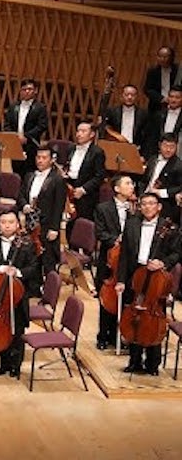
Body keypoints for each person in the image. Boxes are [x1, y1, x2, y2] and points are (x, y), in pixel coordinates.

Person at [117, 193, 179, 375]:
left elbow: (177, 253)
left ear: (159, 206)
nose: (147, 207)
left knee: (153, 318)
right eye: (143, 204)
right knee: (135, 317)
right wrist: (120, 280)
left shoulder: (170, 228)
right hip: (136, 274)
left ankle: (152, 363)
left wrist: (163, 263)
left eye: (151, 203)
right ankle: (134, 361)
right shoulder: (132, 224)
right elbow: (124, 255)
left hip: (157, 277)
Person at [0, 209, 38, 378]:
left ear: (17, 225)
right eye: (3, 222)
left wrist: (18, 272)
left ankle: (16, 366)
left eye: (11, 222)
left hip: (18, 295)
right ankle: (3, 364)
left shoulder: (26, 244)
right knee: (0, 330)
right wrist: (0, 268)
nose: (7, 226)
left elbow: (33, 268)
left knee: (17, 331)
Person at [94, 175, 135, 350]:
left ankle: (121, 335)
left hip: (129, 261)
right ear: (117, 189)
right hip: (110, 260)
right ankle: (103, 336)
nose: (131, 186)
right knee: (107, 300)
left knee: (127, 300)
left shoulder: (136, 209)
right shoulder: (103, 208)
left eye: (132, 183)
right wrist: (115, 240)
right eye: (128, 183)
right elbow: (100, 233)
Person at [18, 147, 67, 291]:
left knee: (48, 260)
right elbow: (20, 195)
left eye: (44, 158)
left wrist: (54, 228)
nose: (40, 160)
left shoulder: (57, 180)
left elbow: (58, 206)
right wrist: (25, 205)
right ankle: (34, 288)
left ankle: (50, 292)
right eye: (38, 157)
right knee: (32, 257)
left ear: (51, 160)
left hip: (47, 225)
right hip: (30, 224)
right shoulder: (29, 176)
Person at [3, 79, 49, 176]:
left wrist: (26, 136)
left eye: (30, 89)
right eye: (24, 89)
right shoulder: (13, 106)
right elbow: (7, 124)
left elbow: (42, 126)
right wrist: (14, 136)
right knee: (15, 171)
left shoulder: (40, 108)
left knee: (29, 172)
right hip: (15, 144)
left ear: (35, 91)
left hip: (31, 145)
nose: (27, 91)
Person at [142, 134, 182, 223]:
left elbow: (180, 187)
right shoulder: (153, 159)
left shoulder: (179, 166)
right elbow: (144, 180)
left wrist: (162, 192)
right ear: (160, 145)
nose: (168, 150)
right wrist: (141, 195)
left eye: (172, 147)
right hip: (145, 196)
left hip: (165, 202)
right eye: (165, 146)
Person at [143, 46, 177, 110]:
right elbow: (148, 89)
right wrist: (161, 98)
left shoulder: (178, 71)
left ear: (172, 57)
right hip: (157, 105)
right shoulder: (153, 71)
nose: (162, 59)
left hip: (176, 104)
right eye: (160, 56)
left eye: (165, 57)